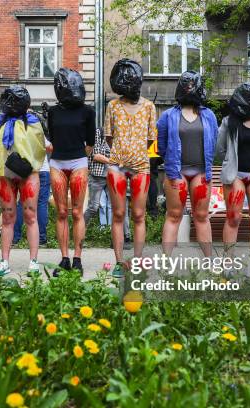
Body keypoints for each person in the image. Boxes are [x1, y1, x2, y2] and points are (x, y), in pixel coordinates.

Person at [157, 71, 219, 257]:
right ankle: (166, 262)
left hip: (201, 172)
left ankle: (210, 261)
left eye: (193, 85)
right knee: (173, 215)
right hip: (177, 173)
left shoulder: (209, 116)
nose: (190, 88)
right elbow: (161, 146)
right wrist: (171, 163)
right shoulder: (168, 116)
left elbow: (213, 142)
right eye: (187, 85)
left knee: (201, 216)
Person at [105, 59, 157, 277]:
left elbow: (150, 140)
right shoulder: (113, 106)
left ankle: (137, 259)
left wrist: (133, 154)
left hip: (141, 168)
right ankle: (118, 262)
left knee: (138, 214)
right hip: (117, 166)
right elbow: (109, 137)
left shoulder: (149, 107)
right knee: (118, 213)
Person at [0, 86, 46, 277]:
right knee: (7, 218)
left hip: (29, 174)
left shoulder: (33, 122)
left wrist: (29, 164)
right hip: (5, 174)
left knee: (31, 215)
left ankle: (33, 261)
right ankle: (4, 260)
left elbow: (40, 148)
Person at [48, 68, 95, 276]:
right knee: (60, 212)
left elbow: (91, 144)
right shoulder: (53, 112)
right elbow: (51, 138)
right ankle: (64, 258)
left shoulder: (88, 111)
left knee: (77, 212)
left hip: (78, 162)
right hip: (57, 163)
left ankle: (78, 258)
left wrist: (77, 156)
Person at [216, 82, 250, 257]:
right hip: (236, 176)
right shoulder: (228, 122)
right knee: (233, 218)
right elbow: (220, 148)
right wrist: (230, 160)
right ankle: (228, 263)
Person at [13, 138, 51, 246]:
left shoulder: (21, 132)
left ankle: (15, 237)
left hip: (27, 170)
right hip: (42, 171)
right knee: (41, 204)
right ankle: (41, 238)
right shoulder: (38, 131)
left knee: (22, 203)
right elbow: (50, 148)